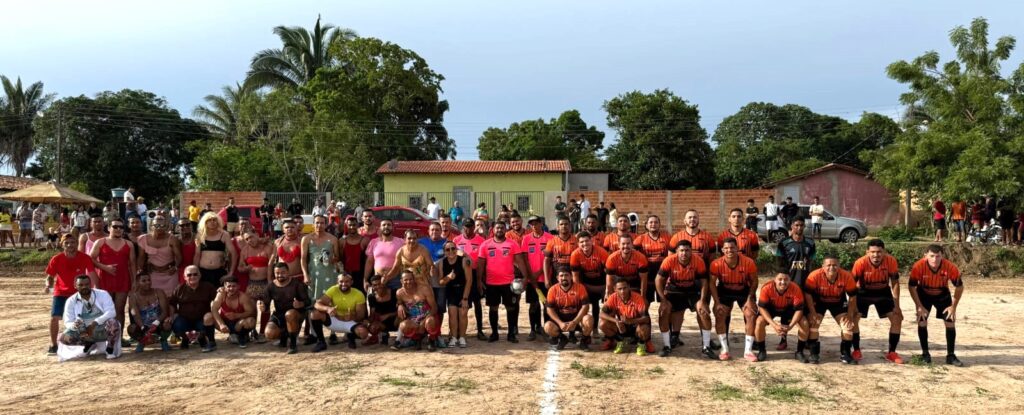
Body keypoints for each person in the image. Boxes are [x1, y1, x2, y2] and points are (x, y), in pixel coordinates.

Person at [655, 240, 714, 358]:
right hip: (674, 289)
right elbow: (658, 280)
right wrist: (663, 300)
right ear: (676, 251)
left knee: (704, 312)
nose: (684, 253)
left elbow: (704, 281)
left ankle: (706, 346)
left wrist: (703, 300)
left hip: (693, 289)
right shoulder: (669, 260)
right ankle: (667, 345)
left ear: (691, 251)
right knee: (664, 312)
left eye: (687, 250)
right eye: (681, 250)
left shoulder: (698, 260)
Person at [908, 245, 965, 366]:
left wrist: (953, 307)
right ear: (925, 256)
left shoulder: (950, 267)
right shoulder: (918, 266)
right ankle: (925, 354)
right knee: (922, 320)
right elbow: (911, 286)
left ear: (942, 256)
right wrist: (919, 306)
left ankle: (951, 355)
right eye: (932, 256)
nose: (935, 259)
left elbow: (959, 287)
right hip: (923, 293)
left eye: (938, 256)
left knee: (950, 321)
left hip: (942, 294)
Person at [850, 239, 905, 364]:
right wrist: (852, 306)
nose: (876, 255)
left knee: (897, 318)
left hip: (883, 292)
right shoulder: (860, 262)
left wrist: (897, 306)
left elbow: (895, 283)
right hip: (863, 292)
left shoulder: (891, 261)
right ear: (867, 252)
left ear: (884, 252)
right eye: (873, 252)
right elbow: (851, 285)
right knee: (854, 318)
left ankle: (892, 352)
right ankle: (856, 350)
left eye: (879, 252)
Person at [477, 221, 530, 343]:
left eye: (502, 228)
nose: (499, 230)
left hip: (508, 283)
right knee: (493, 308)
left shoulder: (512, 244)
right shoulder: (485, 245)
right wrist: (479, 280)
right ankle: (494, 333)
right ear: (493, 230)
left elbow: (520, 261)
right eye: (497, 228)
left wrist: (525, 277)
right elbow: (480, 265)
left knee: (511, 308)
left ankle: (511, 334)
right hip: (491, 283)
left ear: (506, 230)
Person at [45, 234, 98, 355]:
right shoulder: (56, 259)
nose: (70, 245)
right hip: (61, 292)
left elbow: (92, 274)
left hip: (80, 293)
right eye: (66, 243)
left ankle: (88, 342)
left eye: (72, 242)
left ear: (76, 244)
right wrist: (48, 285)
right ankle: (53, 345)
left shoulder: (85, 258)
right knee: (54, 318)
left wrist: (98, 289)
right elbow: (50, 276)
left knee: (85, 318)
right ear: (62, 245)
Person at [709, 238, 759, 361]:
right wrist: (716, 302)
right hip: (725, 291)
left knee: (751, 314)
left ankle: (748, 350)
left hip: (743, 290)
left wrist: (750, 299)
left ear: (737, 248)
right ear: (722, 250)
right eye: (726, 248)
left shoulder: (748, 262)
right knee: (720, 313)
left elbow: (754, 281)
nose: (729, 250)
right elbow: (711, 283)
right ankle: (724, 348)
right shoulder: (716, 263)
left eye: (732, 247)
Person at [802, 257, 858, 364]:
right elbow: (808, 294)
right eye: (828, 265)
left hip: (838, 302)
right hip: (819, 302)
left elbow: (852, 296)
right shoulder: (814, 275)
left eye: (834, 265)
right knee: (814, 323)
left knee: (847, 325)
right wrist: (812, 312)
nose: (831, 267)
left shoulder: (846, 275)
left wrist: (850, 314)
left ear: (839, 266)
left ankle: (846, 354)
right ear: (823, 266)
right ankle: (814, 354)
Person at [89, 218, 136, 345]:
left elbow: (132, 264)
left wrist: (134, 282)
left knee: (119, 310)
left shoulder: (129, 244)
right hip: (105, 279)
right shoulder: (100, 242)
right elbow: (91, 259)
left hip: (123, 280)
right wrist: (105, 267)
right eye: (115, 227)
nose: (118, 229)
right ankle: (105, 337)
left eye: (121, 227)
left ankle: (118, 338)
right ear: (109, 228)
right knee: (106, 310)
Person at [57, 275, 121, 361]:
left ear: (91, 284)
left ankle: (110, 349)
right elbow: (67, 321)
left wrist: (95, 323)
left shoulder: (103, 294)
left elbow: (111, 312)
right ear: (75, 286)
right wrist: (75, 325)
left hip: (102, 328)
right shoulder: (71, 301)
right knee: (63, 337)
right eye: (81, 285)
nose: (84, 287)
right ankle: (88, 344)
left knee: (113, 323)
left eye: (87, 284)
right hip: (84, 332)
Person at [775, 216, 815, 351]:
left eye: (801, 225)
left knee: (806, 312)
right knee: (785, 312)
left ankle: (807, 340)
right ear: (791, 226)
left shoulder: (810, 243)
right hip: (789, 283)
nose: (799, 227)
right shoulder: (784, 243)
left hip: (805, 283)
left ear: (804, 226)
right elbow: (780, 264)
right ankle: (783, 339)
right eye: (796, 225)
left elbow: (811, 263)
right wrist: (783, 281)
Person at [753, 272, 806, 362]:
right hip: (771, 308)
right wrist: (774, 325)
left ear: (790, 280)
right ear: (775, 279)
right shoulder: (767, 287)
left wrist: (791, 326)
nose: (783, 282)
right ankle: (762, 351)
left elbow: (799, 310)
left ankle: (799, 352)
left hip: (788, 308)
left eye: (786, 279)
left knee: (804, 323)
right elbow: (762, 308)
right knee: (759, 322)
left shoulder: (795, 288)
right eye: (780, 279)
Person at [310, 273, 369, 352]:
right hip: (334, 319)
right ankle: (321, 342)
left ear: (352, 282)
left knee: (364, 333)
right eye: (341, 281)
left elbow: (361, 316)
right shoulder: (333, 289)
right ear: (337, 282)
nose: (343, 284)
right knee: (314, 314)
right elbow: (317, 304)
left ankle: (351, 336)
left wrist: (352, 316)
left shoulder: (358, 294)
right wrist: (328, 309)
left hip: (350, 321)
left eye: (347, 281)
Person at [169, 265, 218, 351]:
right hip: (184, 319)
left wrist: (221, 291)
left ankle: (208, 340)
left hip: (202, 318)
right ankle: (185, 339)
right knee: (177, 324)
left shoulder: (208, 287)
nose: (192, 277)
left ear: (200, 275)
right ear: (184, 277)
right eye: (189, 275)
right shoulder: (179, 289)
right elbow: (172, 304)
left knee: (209, 317)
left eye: (195, 274)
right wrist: (171, 316)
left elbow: (217, 300)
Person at [391, 270, 443, 351]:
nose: (408, 282)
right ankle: (416, 339)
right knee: (403, 325)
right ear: (401, 281)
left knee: (430, 321)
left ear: (414, 279)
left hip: (427, 316)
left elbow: (434, 308)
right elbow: (399, 302)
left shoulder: (424, 289)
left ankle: (431, 340)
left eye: (410, 279)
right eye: (405, 280)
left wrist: (423, 321)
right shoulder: (399, 293)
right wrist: (400, 305)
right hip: (413, 320)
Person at [600, 277, 651, 356]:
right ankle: (619, 341)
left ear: (629, 287)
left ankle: (641, 344)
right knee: (602, 324)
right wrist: (616, 321)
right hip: (622, 325)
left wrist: (631, 321)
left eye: (625, 288)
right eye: (620, 289)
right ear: (615, 289)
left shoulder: (638, 298)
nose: (622, 291)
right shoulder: (613, 297)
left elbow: (646, 319)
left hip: (635, 325)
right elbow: (601, 314)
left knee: (645, 328)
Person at [266, 262, 310, 354]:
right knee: (269, 333)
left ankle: (293, 345)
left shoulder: (297, 284)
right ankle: (284, 336)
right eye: (277, 273)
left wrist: (300, 304)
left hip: (296, 314)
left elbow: (308, 302)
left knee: (289, 314)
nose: (280, 275)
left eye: (283, 272)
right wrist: (263, 307)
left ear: (288, 272)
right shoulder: (271, 286)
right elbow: (266, 305)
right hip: (279, 314)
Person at [521, 215, 554, 340]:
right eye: (532, 224)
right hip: (532, 280)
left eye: (536, 223)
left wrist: (539, 272)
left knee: (546, 305)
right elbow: (525, 259)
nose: (534, 226)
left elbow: (551, 259)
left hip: (546, 279)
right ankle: (533, 329)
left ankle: (546, 329)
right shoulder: (526, 239)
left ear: (541, 224)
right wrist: (531, 275)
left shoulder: (550, 238)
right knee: (533, 305)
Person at [545, 268, 593, 350]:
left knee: (589, 319)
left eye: (566, 275)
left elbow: (586, 306)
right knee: (547, 327)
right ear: (557, 278)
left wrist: (575, 322)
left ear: (571, 277)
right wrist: (560, 323)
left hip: (577, 319)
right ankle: (563, 339)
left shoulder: (580, 287)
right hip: (561, 319)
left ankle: (584, 341)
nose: (564, 278)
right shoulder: (552, 290)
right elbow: (549, 309)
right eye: (561, 276)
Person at [454, 218, 487, 339]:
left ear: (474, 227)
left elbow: (483, 261)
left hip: (475, 273)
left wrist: (480, 279)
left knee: (477, 302)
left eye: (470, 227)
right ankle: (459, 330)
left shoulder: (481, 240)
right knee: (461, 302)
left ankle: (480, 330)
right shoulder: (456, 240)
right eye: (466, 227)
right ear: (462, 227)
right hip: (461, 275)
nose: (468, 229)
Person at [239, 229, 273, 343]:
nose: (249, 240)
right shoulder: (245, 250)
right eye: (247, 239)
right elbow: (240, 267)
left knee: (265, 308)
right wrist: (245, 268)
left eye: (251, 237)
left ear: (257, 235)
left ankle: (263, 332)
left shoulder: (267, 247)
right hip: (252, 283)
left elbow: (272, 264)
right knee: (251, 309)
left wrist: (270, 281)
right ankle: (252, 331)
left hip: (265, 282)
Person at [569, 231, 609, 330]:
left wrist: (608, 290)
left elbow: (609, 274)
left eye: (587, 241)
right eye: (581, 242)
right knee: (582, 303)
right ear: (578, 244)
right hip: (586, 283)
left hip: (602, 283)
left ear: (592, 241)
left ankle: (606, 329)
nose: (585, 244)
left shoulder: (601, 252)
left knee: (608, 306)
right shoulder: (575, 254)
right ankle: (584, 328)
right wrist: (578, 292)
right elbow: (575, 276)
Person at [436, 240, 473, 348]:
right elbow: (440, 282)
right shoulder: (442, 263)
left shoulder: (463, 261)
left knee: (463, 314)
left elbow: (469, 280)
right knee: (452, 314)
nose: (451, 251)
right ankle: (453, 337)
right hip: (451, 291)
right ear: (444, 252)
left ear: (456, 249)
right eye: (448, 249)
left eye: (453, 248)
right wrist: (448, 277)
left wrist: (465, 298)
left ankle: (462, 337)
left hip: (464, 290)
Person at [301, 215, 340, 313]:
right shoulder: (306, 239)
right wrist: (305, 275)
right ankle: (313, 322)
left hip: (329, 273)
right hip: (313, 273)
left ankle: (331, 321)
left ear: (326, 225)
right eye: (317, 223)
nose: (319, 225)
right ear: (313, 224)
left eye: (322, 223)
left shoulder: (333, 239)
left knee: (330, 298)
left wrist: (331, 259)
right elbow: (303, 259)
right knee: (313, 300)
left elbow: (337, 257)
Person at [136, 215, 182, 297]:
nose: (159, 228)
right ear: (151, 226)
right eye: (156, 225)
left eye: (162, 225)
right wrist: (142, 272)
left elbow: (179, 257)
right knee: (154, 298)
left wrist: (175, 267)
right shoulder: (143, 239)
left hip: (170, 274)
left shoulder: (172, 239)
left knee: (171, 299)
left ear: (166, 226)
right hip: (153, 274)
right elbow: (141, 258)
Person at [127, 273, 172, 352]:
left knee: (167, 324)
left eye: (149, 280)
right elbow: (135, 315)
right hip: (143, 325)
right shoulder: (133, 297)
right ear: (137, 283)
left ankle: (163, 340)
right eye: (144, 281)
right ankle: (142, 341)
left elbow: (165, 311)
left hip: (159, 323)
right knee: (131, 328)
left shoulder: (159, 292)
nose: (147, 282)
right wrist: (143, 327)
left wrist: (156, 323)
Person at [210, 276, 257, 349]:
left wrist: (236, 315)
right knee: (209, 318)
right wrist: (221, 324)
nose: (231, 288)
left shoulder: (243, 297)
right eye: (229, 286)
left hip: (239, 323)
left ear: (238, 286)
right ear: (225, 286)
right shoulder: (221, 294)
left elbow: (251, 312)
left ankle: (242, 336)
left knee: (251, 321)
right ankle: (211, 341)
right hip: (225, 323)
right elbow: (214, 309)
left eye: (234, 286)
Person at [193, 212, 236, 288]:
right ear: (205, 222)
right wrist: (195, 273)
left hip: (219, 273)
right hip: (203, 273)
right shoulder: (200, 235)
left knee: (219, 294)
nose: (212, 222)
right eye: (209, 220)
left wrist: (231, 272)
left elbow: (234, 253)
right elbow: (197, 255)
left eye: (214, 220)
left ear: (218, 221)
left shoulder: (224, 235)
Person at [633, 215, 670, 304]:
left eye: (656, 222)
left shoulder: (667, 237)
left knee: (665, 302)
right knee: (645, 302)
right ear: (646, 225)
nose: (653, 224)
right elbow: (633, 254)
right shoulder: (640, 239)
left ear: (659, 224)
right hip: (647, 273)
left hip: (662, 272)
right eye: (651, 222)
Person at [364, 274, 398, 346]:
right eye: (375, 285)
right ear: (372, 286)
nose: (378, 286)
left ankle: (401, 338)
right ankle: (381, 335)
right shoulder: (371, 297)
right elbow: (372, 315)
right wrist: (369, 322)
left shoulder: (394, 293)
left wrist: (388, 315)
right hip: (382, 323)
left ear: (384, 283)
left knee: (401, 317)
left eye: (380, 284)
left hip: (396, 320)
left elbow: (402, 311)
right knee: (371, 325)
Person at [339, 216, 370, 290]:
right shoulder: (342, 241)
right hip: (346, 275)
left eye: (354, 225)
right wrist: (342, 272)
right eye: (350, 225)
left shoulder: (365, 240)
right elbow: (340, 259)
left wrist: (366, 278)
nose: (352, 227)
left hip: (361, 275)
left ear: (358, 225)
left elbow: (368, 261)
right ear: (346, 226)